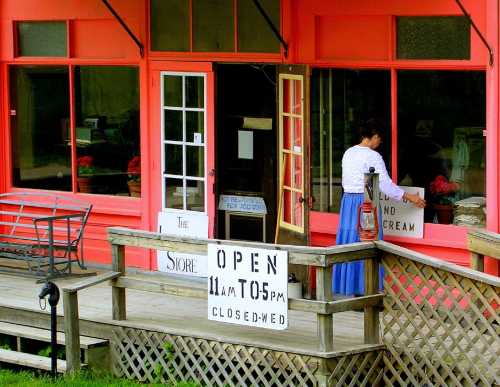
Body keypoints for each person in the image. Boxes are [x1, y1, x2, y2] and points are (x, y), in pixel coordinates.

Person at [333, 119, 425, 296]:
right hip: (366, 202)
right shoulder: (373, 156)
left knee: (350, 242)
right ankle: (366, 290)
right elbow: (385, 185)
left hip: (348, 202)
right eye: (379, 139)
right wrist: (410, 197)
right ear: (374, 137)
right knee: (368, 243)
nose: (380, 142)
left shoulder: (348, 153)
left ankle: (351, 289)